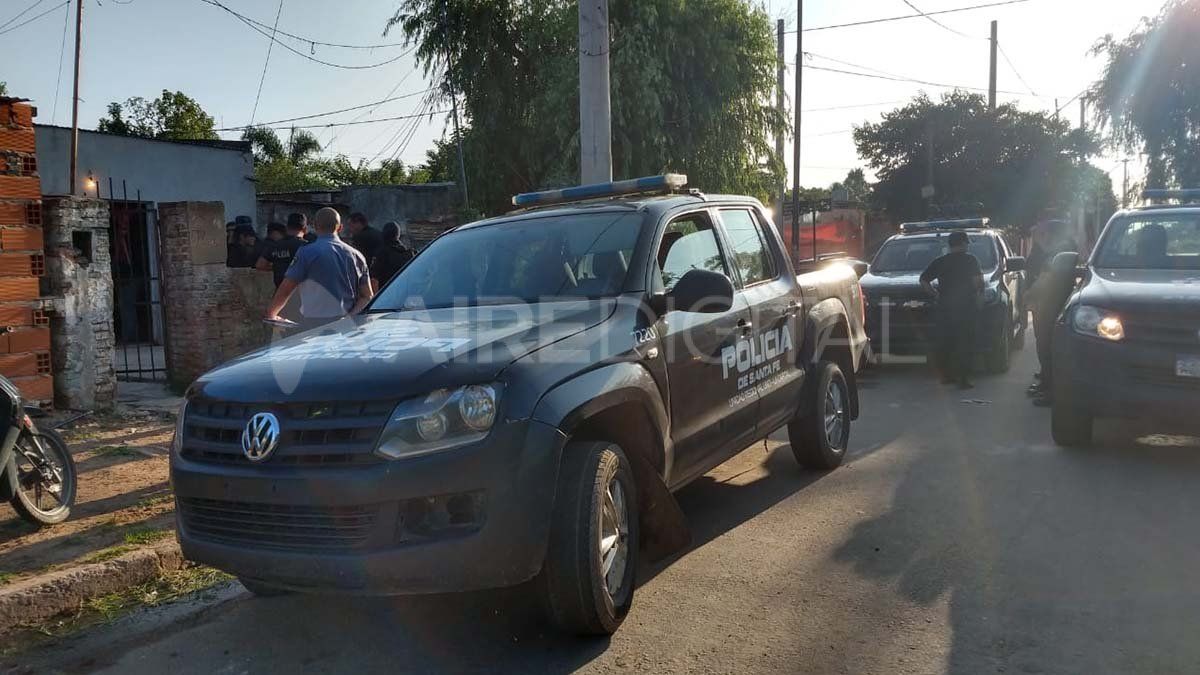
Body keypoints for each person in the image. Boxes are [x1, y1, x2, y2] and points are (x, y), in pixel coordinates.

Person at [264, 207, 373, 329]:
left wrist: (271, 313)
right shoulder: (357, 256)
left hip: (313, 324)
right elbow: (367, 296)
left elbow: (286, 288)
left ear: (315, 226)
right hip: (346, 325)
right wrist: (349, 319)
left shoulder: (306, 253)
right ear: (340, 227)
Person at [920, 231, 984, 389]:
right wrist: (978, 299)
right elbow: (977, 282)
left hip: (945, 306)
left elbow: (923, 280)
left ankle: (946, 376)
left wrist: (935, 294)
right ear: (962, 243)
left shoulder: (940, 261)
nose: (967, 245)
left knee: (946, 341)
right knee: (965, 342)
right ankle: (963, 379)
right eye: (966, 243)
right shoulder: (971, 260)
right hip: (966, 307)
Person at [369, 221, 415, 292]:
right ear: (398, 235)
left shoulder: (382, 254)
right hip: (404, 294)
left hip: (386, 296)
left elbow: (374, 280)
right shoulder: (409, 254)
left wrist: (375, 299)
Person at [256, 222, 304, 288]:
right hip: (299, 286)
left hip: (281, 286)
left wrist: (276, 267)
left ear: (275, 233)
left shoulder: (274, 246)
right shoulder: (301, 244)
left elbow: (260, 265)